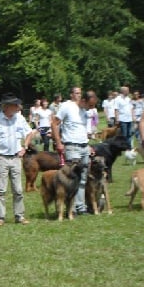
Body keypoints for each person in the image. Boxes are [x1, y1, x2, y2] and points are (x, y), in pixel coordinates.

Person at [0, 93, 32, 226]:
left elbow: (29, 132)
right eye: (15, 105)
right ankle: (0, 217)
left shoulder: (20, 118)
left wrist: (25, 146)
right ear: (6, 106)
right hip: (1, 158)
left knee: (18, 189)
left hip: (16, 158)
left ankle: (20, 216)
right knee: (0, 190)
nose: (18, 107)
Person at [51, 87, 94, 215]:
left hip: (84, 146)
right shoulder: (66, 106)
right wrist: (58, 142)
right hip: (72, 147)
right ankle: (71, 209)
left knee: (83, 178)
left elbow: (82, 129)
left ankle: (81, 208)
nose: (78, 95)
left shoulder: (84, 111)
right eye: (76, 93)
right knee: (71, 178)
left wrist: (88, 145)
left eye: (80, 93)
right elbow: (54, 123)